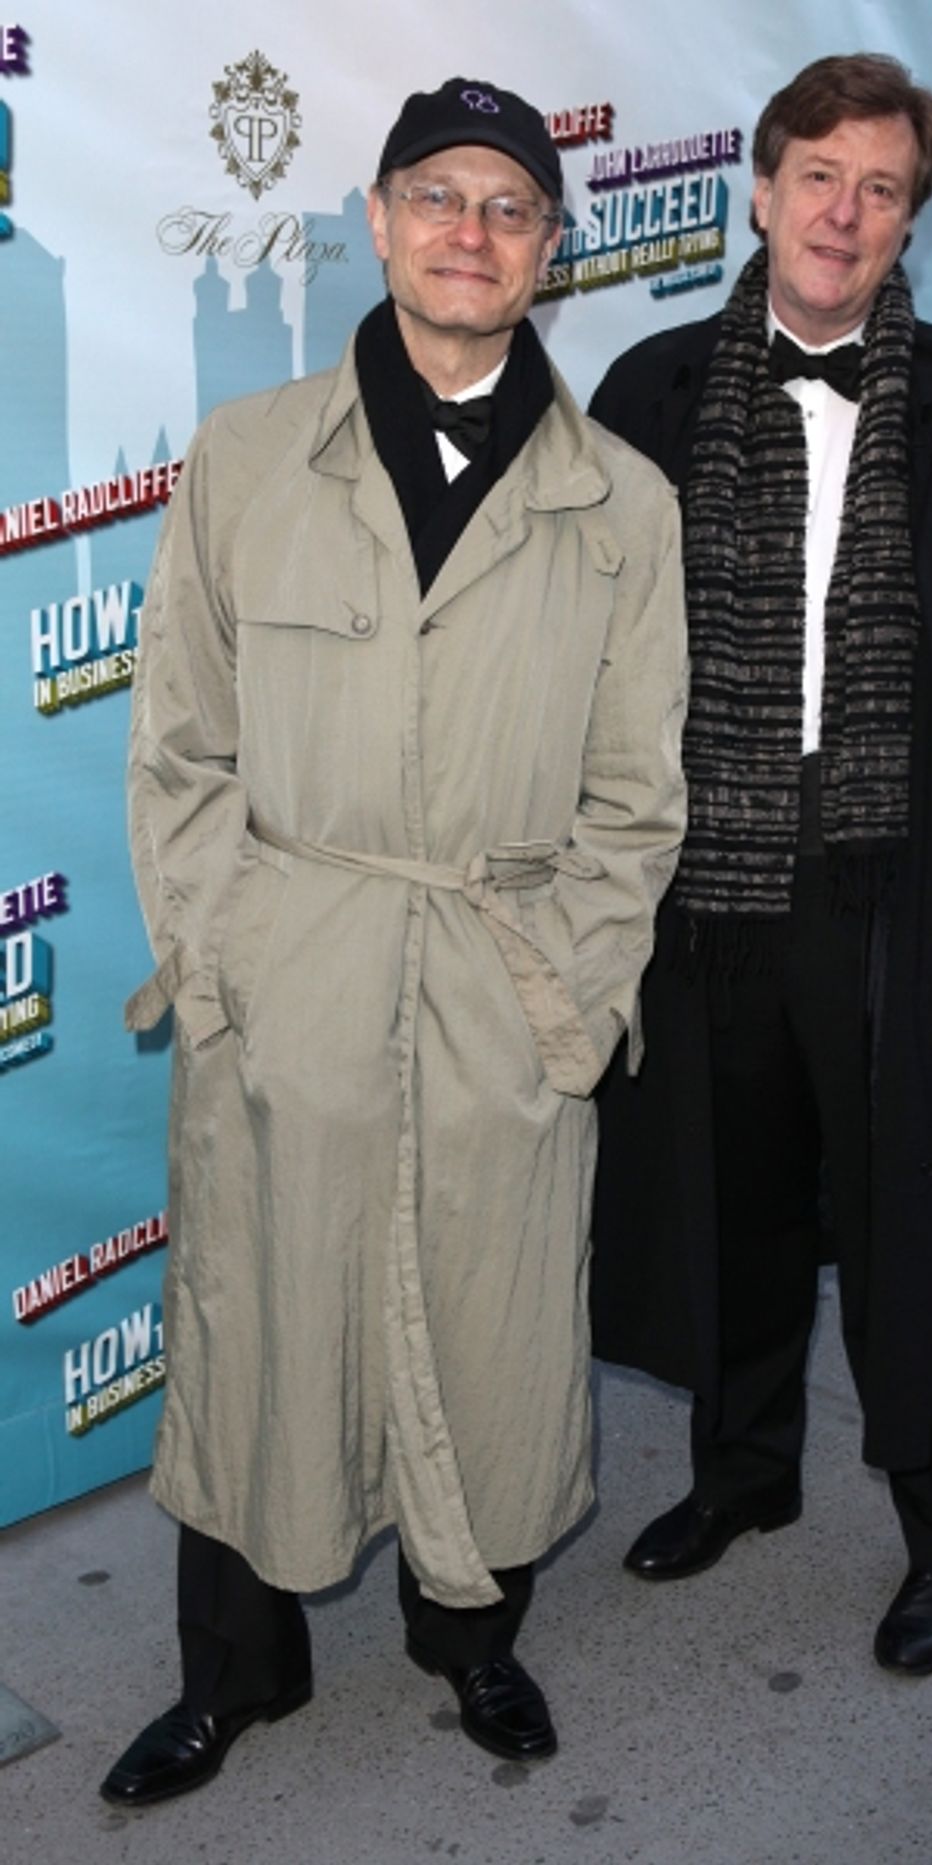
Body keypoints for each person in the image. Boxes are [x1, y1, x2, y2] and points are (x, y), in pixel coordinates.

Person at [102, 76, 686, 1805]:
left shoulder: (619, 506)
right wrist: (223, 977)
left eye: (511, 208)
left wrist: (564, 1009)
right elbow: (181, 747)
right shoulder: (246, 458)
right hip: (296, 979)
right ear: (375, 217)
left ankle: (471, 1638)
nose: (470, 232)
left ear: (553, 252)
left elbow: (635, 798)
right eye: (438, 195)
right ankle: (235, 1672)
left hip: (501, 988)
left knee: (491, 1333)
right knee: (256, 1333)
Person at [589, 52, 932, 1676]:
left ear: (911, 223)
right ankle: (745, 1476)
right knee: (725, 1198)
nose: (845, 212)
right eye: (821, 173)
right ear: (760, 186)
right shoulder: (644, 400)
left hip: (901, 887)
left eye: (884, 188)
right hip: (708, 887)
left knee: (917, 1226)